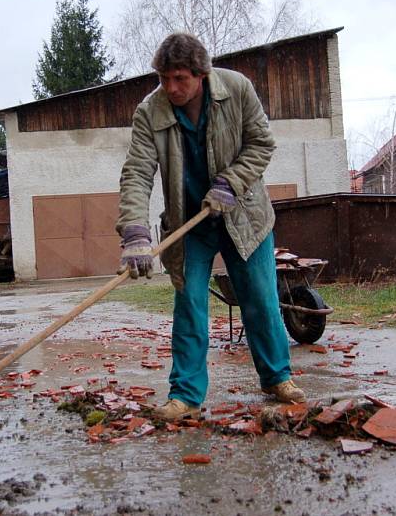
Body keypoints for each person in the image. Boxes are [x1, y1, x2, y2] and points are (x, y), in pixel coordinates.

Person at [116, 33, 306, 420]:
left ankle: (275, 377)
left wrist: (230, 182)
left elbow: (261, 144)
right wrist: (134, 231)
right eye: (164, 78)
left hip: (244, 215)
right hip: (190, 223)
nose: (171, 88)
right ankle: (185, 395)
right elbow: (137, 172)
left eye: (180, 78)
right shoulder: (149, 112)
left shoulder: (236, 89)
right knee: (189, 304)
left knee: (260, 297)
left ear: (201, 74)